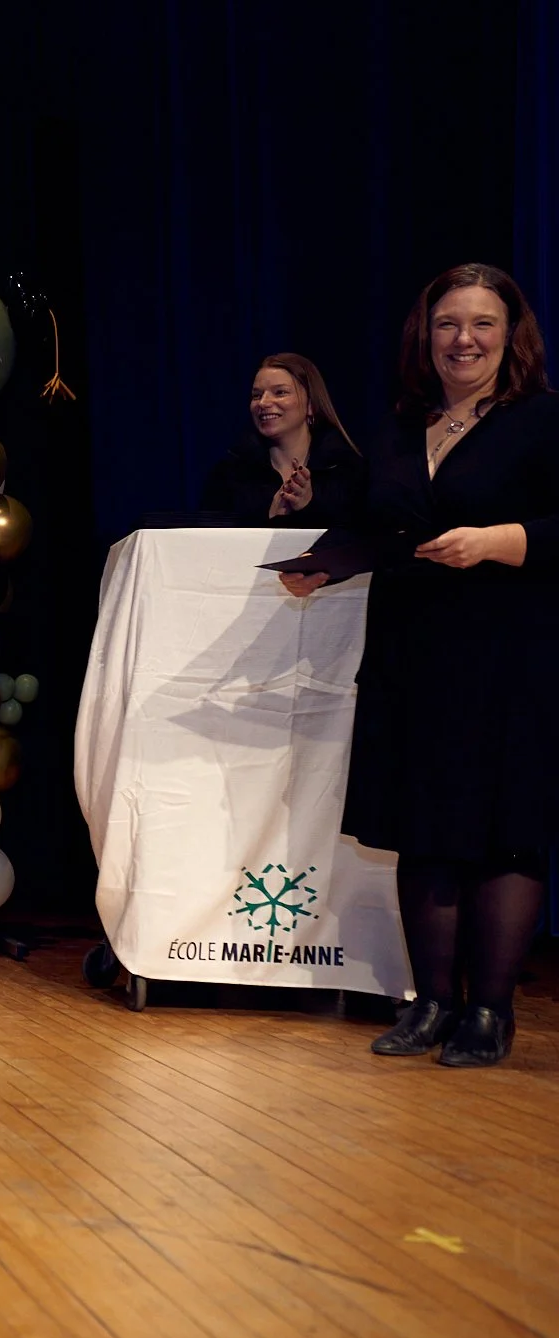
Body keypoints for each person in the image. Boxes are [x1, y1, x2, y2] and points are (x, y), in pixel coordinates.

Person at [281, 263, 556, 1067]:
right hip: (413, 652)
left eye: (481, 324)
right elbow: (381, 527)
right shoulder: (405, 427)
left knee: (504, 832)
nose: (462, 339)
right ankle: (432, 1002)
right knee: (422, 829)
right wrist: (322, 558)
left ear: (512, 337)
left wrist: (503, 541)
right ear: (424, 337)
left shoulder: (543, 421)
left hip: (511, 654)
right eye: (446, 324)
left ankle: (488, 1012)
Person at [201, 352, 366, 526]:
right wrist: (270, 519)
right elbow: (213, 545)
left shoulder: (345, 470)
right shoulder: (229, 474)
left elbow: (359, 542)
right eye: (256, 395)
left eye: (280, 392)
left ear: (311, 405)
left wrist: (309, 506)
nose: (263, 403)